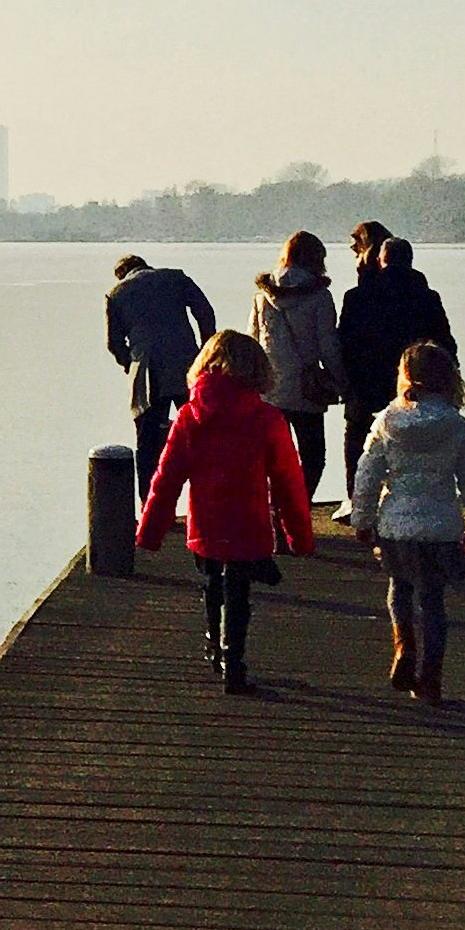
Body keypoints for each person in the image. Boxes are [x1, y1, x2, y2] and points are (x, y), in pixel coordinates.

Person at [136, 329, 313, 693]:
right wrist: (298, 536)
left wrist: (150, 530)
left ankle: (213, 646)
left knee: (212, 583)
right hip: (248, 524)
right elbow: (289, 483)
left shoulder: (189, 417)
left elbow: (166, 478)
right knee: (239, 591)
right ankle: (235, 660)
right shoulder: (267, 418)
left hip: (206, 523)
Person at [348, 340, 465, 705]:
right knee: (433, 602)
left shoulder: (386, 423)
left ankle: (403, 646)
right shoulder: (458, 428)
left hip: (396, 525)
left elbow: (367, 476)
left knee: (399, 586)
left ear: (406, 376)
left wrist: (362, 519)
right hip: (440, 527)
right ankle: (430, 678)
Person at [338, 235, 456, 482]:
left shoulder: (356, 297)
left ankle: (356, 496)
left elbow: (345, 342)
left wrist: (345, 380)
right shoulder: (427, 297)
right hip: (414, 381)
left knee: (357, 439)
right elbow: (444, 341)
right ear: (411, 262)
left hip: (366, 381)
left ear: (381, 261)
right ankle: (410, 489)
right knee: (413, 439)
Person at [105, 254, 216, 502]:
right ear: (145, 265)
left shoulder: (116, 294)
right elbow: (204, 312)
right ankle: (211, 501)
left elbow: (113, 343)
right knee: (204, 435)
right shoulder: (176, 277)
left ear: (121, 274)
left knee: (147, 444)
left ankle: (149, 507)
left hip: (147, 372)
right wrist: (205, 351)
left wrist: (129, 363)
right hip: (187, 364)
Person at [249, 230, 345, 498]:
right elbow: (328, 346)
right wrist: (342, 382)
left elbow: (253, 343)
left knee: (272, 459)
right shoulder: (319, 296)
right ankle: (297, 507)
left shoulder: (261, 297)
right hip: (306, 389)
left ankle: (273, 509)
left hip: (269, 389)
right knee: (314, 457)